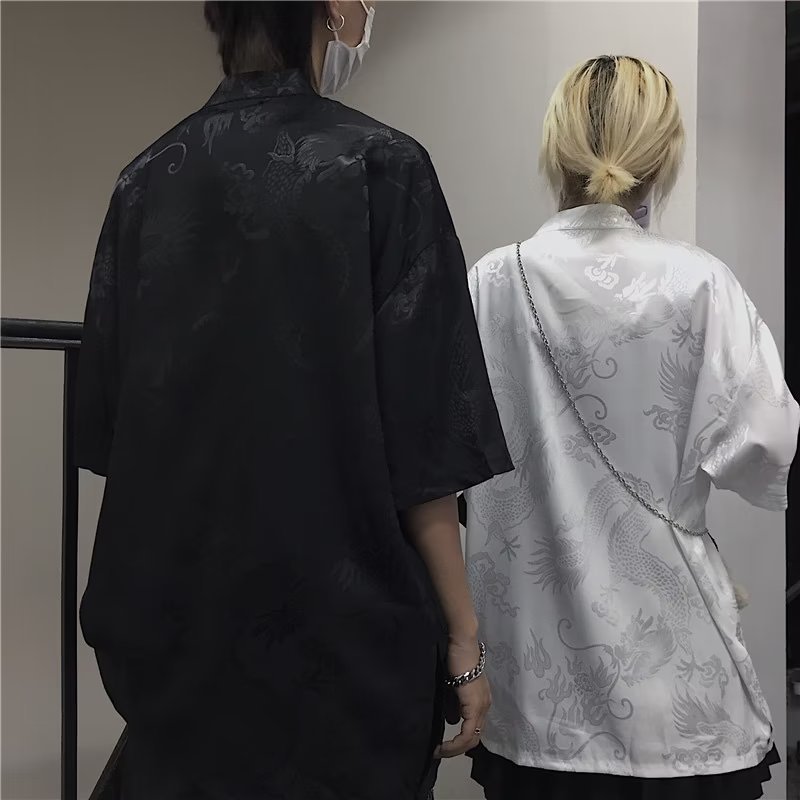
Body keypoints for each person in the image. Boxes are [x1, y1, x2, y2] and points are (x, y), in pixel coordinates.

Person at [75, 3, 512, 798]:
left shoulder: (144, 180)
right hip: (346, 650)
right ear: (334, 11)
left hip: (175, 640)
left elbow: (112, 431)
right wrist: (464, 642)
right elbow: (426, 447)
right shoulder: (384, 167)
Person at [464, 55, 799, 800]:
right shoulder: (699, 282)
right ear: (664, 157)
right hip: (681, 705)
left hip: (536, 702)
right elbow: (768, 444)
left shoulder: (489, 284)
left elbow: (441, 459)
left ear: (555, 148)